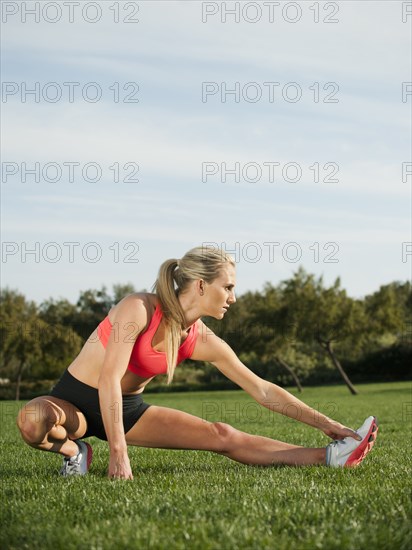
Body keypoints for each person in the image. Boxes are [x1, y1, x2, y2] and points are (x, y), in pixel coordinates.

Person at [17, 246, 378, 479]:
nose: (234, 298)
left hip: (127, 412)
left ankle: (331, 456)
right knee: (34, 421)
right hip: (75, 402)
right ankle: (74, 450)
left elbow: (262, 389)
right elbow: (109, 378)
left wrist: (326, 423)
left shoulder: (199, 338)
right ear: (202, 286)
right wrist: (118, 452)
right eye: (229, 287)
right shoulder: (139, 308)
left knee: (222, 435)